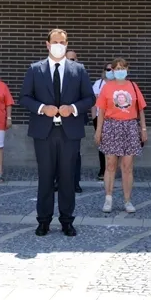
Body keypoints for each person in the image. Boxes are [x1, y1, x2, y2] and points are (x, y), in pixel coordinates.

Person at [20, 29, 94, 237]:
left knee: (67, 178)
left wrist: (74, 108)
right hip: (44, 132)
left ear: (67, 44)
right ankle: (43, 221)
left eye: (62, 42)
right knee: (45, 177)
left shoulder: (78, 70)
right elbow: (25, 97)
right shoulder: (35, 69)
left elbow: (89, 98)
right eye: (55, 41)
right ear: (47, 44)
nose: (59, 45)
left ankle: (67, 221)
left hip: (69, 133)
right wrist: (43, 108)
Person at [94, 58, 147, 214]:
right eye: (116, 68)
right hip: (111, 126)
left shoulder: (133, 86)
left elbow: (141, 109)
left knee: (127, 166)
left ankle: (127, 200)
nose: (119, 70)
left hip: (130, 126)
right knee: (110, 164)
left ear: (127, 69)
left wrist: (143, 128)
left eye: (122, 67)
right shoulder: (107, 87)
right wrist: (99, 130)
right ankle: (108, 199)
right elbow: (101, 111)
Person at [65, 49, 85, 193]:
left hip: (75, 120)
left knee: (75, 155)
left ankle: (75, 182)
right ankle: (58, 182)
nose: (71, 62)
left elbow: (87, 97)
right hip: (56, 121)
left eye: (74, 59)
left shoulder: (80, 74)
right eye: (69, 59)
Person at [91, 63, 114, 181]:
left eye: (112, 69)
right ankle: (103, 169)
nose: (110, 71)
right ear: (104, 70)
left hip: (115, 119)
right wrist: (94, 118)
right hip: (100, 119)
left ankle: (112, 169)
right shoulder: (98, 84)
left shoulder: (118, 84)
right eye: (108, 69)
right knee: (102, 145)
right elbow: (94, 103)